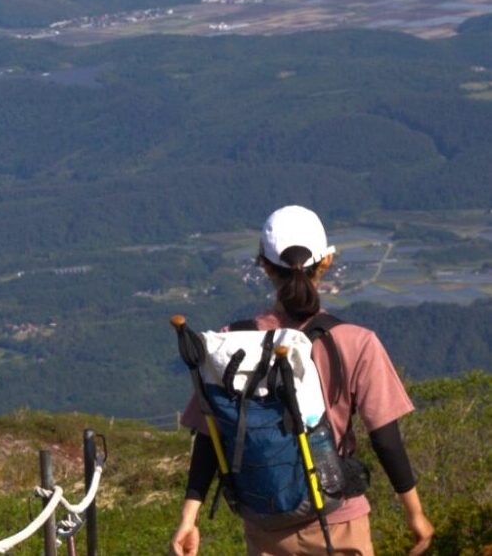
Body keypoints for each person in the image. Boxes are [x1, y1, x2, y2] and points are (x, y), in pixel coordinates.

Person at [169, 205, 434, 556]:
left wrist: (190, 517)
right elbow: (385, 440)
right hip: (340, 524)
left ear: (263, 264)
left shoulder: (229, 342)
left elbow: (209, 435)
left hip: (266, 528)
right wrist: (415, 514)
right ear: (326, 262)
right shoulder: (356, 342)